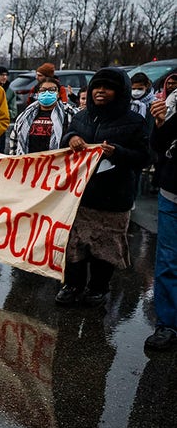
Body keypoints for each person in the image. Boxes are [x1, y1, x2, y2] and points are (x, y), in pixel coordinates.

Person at [57, 67, 151, 307]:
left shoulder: (135, 122)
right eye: (97, 87)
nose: (100, 92)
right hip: (82, 196)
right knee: (76, 245)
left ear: (119, 92)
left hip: (114, 198)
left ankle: (98, 289)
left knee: (105, 248)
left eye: (107, 88)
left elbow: (145, 157)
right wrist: (71, 139)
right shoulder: (81, 117)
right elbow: (65, 139)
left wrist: (117, 152)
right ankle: (72, 285)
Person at [145, 84, 177, 349]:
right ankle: (167, 325)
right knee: (167, 261)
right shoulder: (174, 103)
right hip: (171, 194)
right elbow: (157, 145)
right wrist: (160, 123)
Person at [6, 77, 75, 155]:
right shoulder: (25, 115)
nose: (47, 93)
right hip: (30, 163)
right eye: (43, 90)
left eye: (52, 90)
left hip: (58, 163)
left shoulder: (68, 113)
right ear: (38, 94)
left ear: (58, 94)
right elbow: (14, 139)